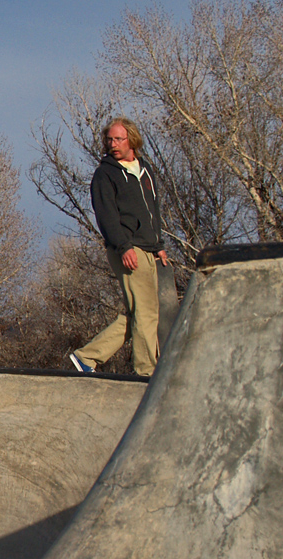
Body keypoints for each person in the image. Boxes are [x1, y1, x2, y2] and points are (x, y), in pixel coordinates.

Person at [70, 117, 170, 377]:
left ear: (132, 140)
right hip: (128, 248)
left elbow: (153, 211)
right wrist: (123, 246)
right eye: (109, 139)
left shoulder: (144, 169)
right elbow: (106, 216)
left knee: (139, 312)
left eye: (118, 139)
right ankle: (146, 371)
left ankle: (87, 357)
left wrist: (159, 244)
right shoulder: (105, 174)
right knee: (146, 312)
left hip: (149, 248)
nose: (112, 144)